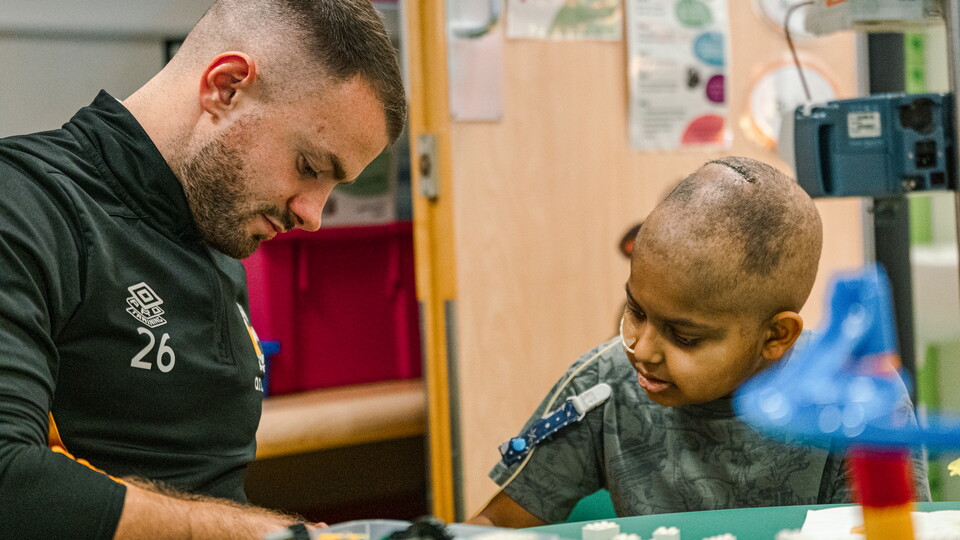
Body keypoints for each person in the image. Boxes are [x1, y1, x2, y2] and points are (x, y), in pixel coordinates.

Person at [0, 0, 405, 538]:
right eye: (308, 166)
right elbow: (11, 481)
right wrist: (268, 535)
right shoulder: (25, 206)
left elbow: (206, 494)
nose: (312, 216)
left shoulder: (217, 226)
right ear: (227, 87)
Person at [467, 157, 931, 527]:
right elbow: (498, 524)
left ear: (776, 335)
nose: (642, 350)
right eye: (637, 312)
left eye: (684, 337)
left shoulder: (852, 405)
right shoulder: (602, 388)